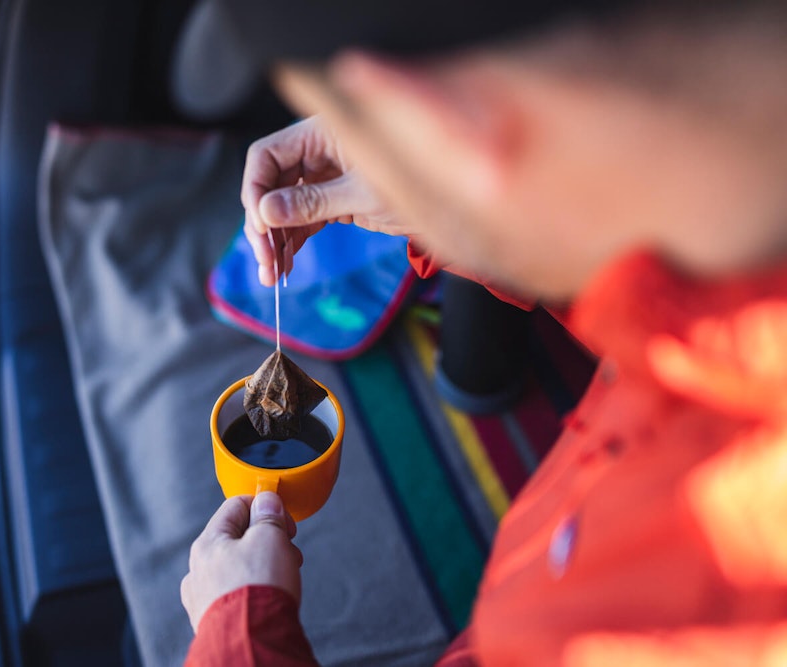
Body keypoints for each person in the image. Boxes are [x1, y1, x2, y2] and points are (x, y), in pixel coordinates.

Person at [177, 0, 787, 664]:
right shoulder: (713, 281)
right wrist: (434, 188)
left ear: (445, 124)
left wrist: (239, 633)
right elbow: (645, 296)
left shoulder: (631, 622)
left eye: (376, 134)